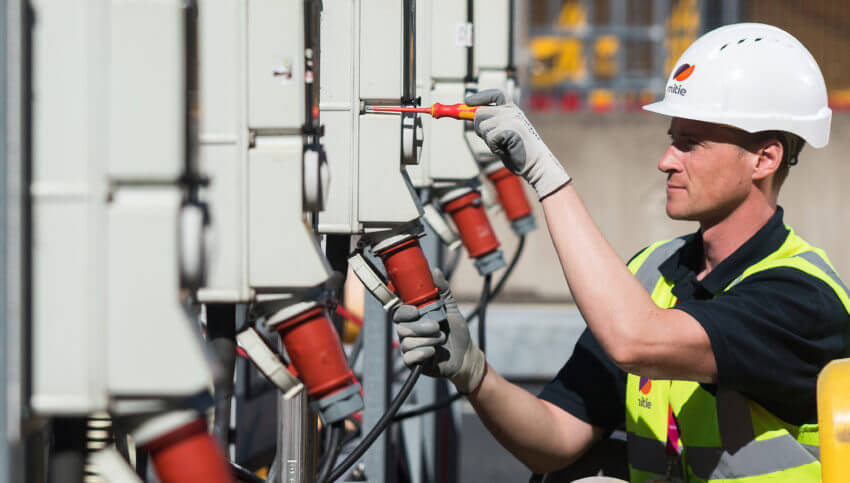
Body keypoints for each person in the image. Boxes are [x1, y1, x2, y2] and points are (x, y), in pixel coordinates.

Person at [392, 23, 850, 482]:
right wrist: (473, 372)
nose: (667, 160)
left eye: (691, 144)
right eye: (673, 139)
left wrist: (543, 174)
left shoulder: (802, 296)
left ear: (764, 159)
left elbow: (635, 339)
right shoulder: (652, 275)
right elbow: (555, 439)